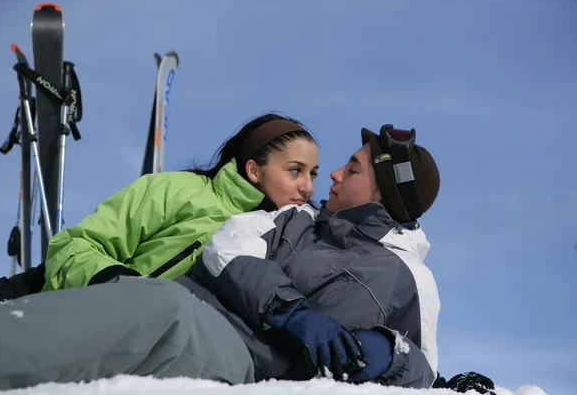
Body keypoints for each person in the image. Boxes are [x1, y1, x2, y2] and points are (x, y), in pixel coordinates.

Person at [177, 124, 441, 388]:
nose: (335, 174)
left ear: (384, 192)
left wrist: (386, 353)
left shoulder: (412, 279)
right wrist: (288, 309)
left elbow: (423, 372)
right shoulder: (298, 218)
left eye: (352, 170)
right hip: (186, 314)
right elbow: (226, 248)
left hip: (232, 365)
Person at [0, 113, 319, 305]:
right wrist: (122, 285)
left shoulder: (292, 238)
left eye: (312, 174)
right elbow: (76, 247)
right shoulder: (177, 190)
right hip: (59, 308)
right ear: (253, 170)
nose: (308, 186)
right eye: (295, 170)